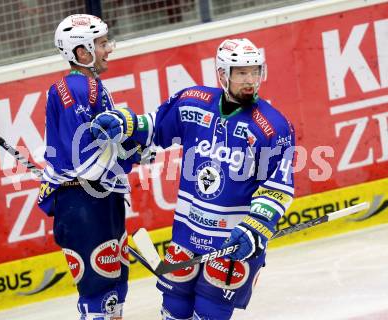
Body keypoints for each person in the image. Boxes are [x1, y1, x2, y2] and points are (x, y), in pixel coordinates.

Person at [91, 38, 295, 320]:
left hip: (231, 243)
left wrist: (256, 227)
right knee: (175, 309)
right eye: (241, 72)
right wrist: (127, 123)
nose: (250, 80)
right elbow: (155, 126)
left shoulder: (273, 126)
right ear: (223, 74)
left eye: (255, 71)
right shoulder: (193, 102)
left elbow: (277, 187)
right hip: (188, 235)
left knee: (209, 312)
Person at [37, 14, 141, 320]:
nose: (109, 48)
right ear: (82, 52)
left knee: (114, 290)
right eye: (101, 43)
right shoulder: (78, 89)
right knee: (100, 297)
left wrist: (130, 150)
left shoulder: (89, 85)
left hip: (95, 199)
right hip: (83, 201)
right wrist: (132, 154)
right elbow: (86, 162)